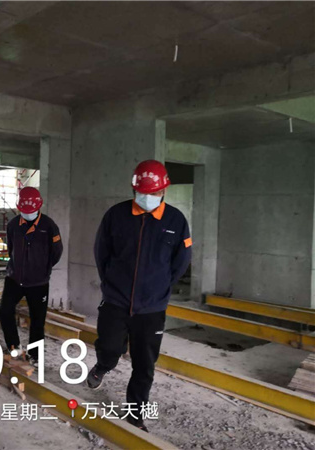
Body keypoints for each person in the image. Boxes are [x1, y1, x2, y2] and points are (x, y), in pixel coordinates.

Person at [88, 160, 192, 432]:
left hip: (151, 308)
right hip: (116, 301)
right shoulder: (116, 215)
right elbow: (101, 252)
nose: (148, 198)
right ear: (134, 189)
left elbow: (181, 261)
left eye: (154, 193)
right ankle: (103, 365)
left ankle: (135, 414)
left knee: (145, 365)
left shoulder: (176, 220)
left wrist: (159, 287)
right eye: (143, 193)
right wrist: (111, 283)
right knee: (109, 346)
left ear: (164, 191)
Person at [0, 187, 63, 365]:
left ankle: (35, 355)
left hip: (38, 282)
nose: (28, 213)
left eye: (31, 210)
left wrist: (42, 268)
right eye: (24, 210)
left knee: (37, 320)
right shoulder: (13, 225)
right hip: (14, 278)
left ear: (39, 206)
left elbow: (56, 252)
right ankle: (14, 347)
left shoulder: (49, 226)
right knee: (5, 312)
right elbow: (11, 248)